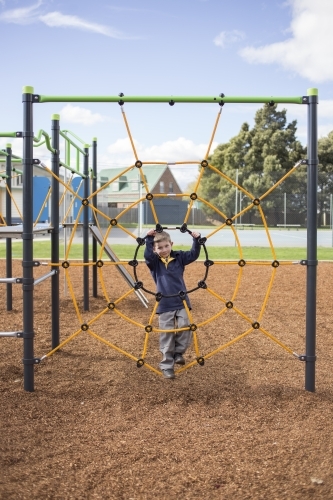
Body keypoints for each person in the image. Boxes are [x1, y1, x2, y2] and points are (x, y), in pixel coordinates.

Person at [144, 228, 201, 379]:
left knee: (186, 326)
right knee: (167, 335)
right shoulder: (154, 262)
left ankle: (178, 353)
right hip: (164, 303)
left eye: (166, 246)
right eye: (159, 248)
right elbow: (147, 255)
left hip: (181, 301)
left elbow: (193, 254)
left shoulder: (179, 257)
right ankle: (167, 365)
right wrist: (149, 239)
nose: (163, 250)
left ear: (171, 244)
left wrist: (196, 240)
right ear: (154, 249)